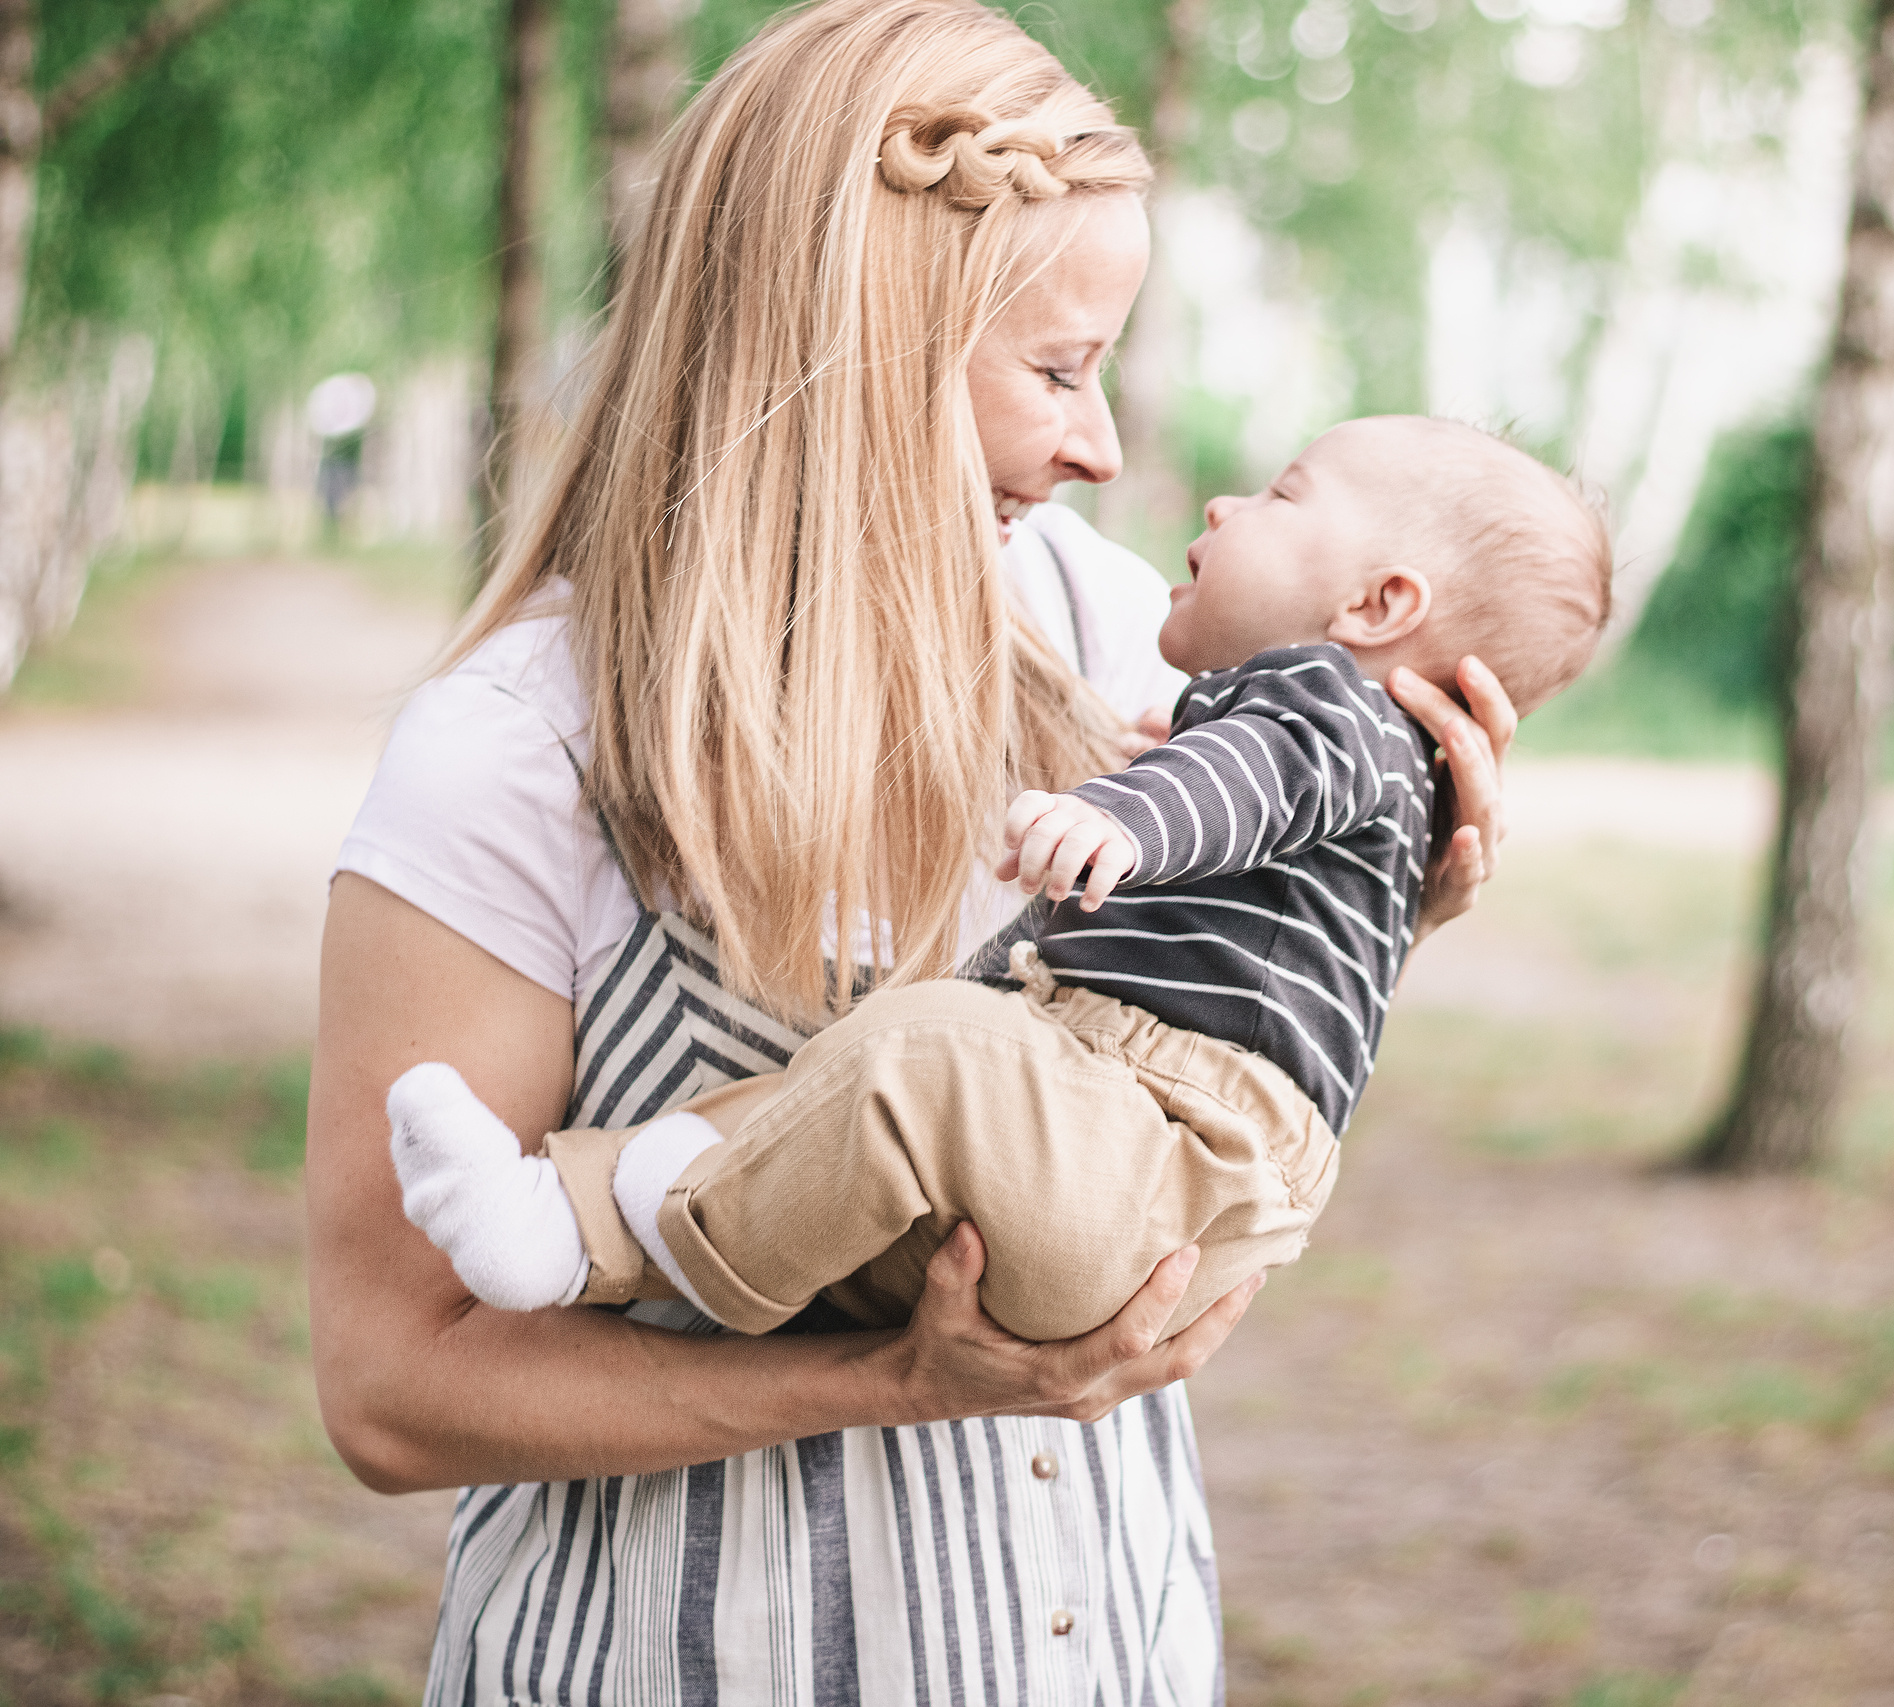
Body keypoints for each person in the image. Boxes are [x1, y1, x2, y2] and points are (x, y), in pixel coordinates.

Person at [301, 4, 1519, 1704]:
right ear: (870, 343)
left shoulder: (1110, 625)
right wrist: (890, 1381)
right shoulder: (520, 742)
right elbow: (391, 1389)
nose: (1102, 448)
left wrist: (1389, 898)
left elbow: (1171, 1083)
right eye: (1059, 370)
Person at [385, 416, 1609, 1353]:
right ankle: (562, 1222)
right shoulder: (1314, 745)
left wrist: (1121, 814)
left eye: (1282, 495)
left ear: (1378, 604)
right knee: (816, 1101)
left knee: (918, 1054)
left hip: (1167, 1131)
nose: (1225, 501)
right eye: (1059, 371)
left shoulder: (1327, 703)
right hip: (1150, 1153)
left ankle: (635, 1241)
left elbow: (1252, 775)